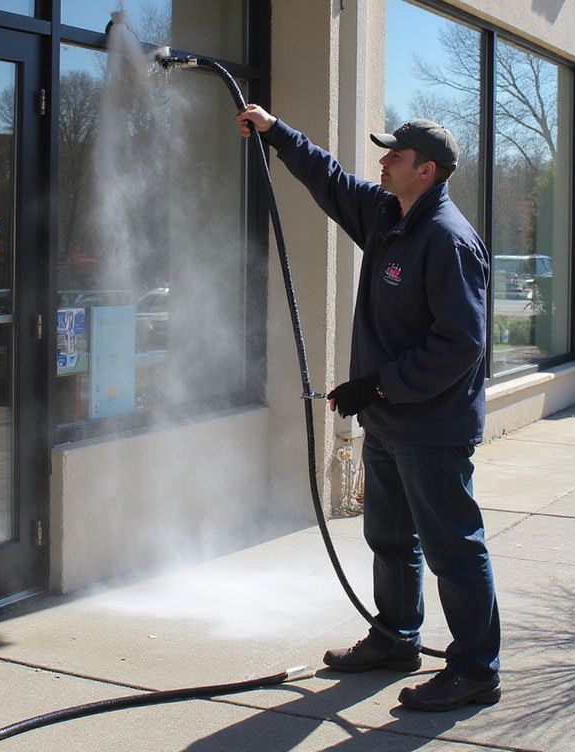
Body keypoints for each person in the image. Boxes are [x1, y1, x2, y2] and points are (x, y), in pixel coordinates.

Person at [236, 104, 501, 712]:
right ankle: (395, 637)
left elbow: (460, 345)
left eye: (395, 156)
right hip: (388, 420)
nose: (382, 161)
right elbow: (327, 177)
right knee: (389, 534)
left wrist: (376, 386)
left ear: (426, 171)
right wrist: (277, 130)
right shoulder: (389, 215)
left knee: (453, 547)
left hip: (432, 427)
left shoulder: (447, 240)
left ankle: (475, 669)